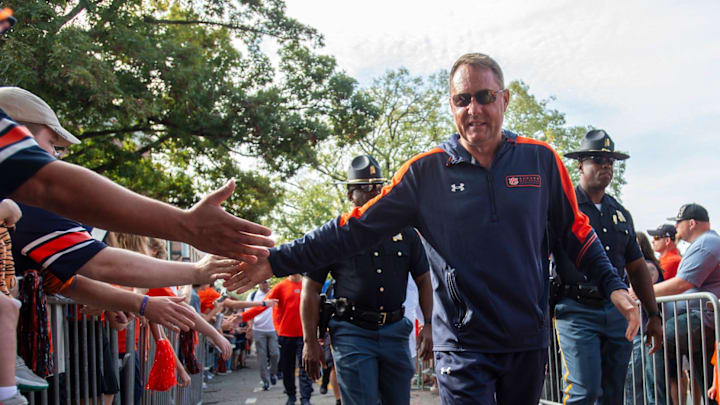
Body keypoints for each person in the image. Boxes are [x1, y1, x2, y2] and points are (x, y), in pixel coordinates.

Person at [225, 52, 640, 404]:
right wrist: (276, 260)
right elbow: (352, 229)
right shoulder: (425, 172)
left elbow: (576, 231)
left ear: (504, 99)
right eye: (462, 100)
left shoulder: (541, 161)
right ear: (451, 105)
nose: (473, 109)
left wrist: (614, 286)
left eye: (484, 97)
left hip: (525, 340)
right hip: (462, 347)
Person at [0, 94, 273, 262]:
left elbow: (88, 264)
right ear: (19, 133)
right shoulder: (34, 205)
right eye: (52, 144)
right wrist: (188, 227)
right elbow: (52, 186)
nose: (56, 156)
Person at [300, 154, 433, 405]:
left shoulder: (406, 233)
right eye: (365, 188)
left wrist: (428, 324)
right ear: (351, 195)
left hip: (395, 330)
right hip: (353, 333)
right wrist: (310, 341)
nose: (373, 193)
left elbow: (424, 280)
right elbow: (310, 289)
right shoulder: (336, 235)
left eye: (378, 187)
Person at [551, 130, 662, 404]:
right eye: (597, 159)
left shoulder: (620, 213)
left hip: (616, 312)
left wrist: (653, 315)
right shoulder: (563, 208)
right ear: (580, 165)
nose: (606, 166)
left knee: (613, 394)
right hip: (576, 310)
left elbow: (636, 267)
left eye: (610, 161)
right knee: (585, 391)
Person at [649, 203, 720, 404]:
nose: (677, 228)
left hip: (699, 318)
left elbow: (681, 284)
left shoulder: (707, 243)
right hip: (698, 319)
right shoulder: (706, 242)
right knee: (707, 381)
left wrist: (640, 293)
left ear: (691, 223)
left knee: (657, 341)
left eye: (678, 223)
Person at [242, 274, 312, 405]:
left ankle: (305, 398)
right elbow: (263, 305)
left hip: (305, 335)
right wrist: (243, 317)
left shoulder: (308, 285)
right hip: (286, 335)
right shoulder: (280, 287)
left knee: (305, 367)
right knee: (287, 368)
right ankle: (291, 395)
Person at [248, 280, 280, 391]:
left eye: (265, 282)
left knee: (275, 353)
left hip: (272, 329)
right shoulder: (253, 296)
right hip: (258, 329)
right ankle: (266, 381)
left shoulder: (274, 294)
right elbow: (249, 312)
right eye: (261, 282)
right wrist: (250, 328)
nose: (263, 284)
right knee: (262, 356)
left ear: (269, 283)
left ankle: (273, 373)